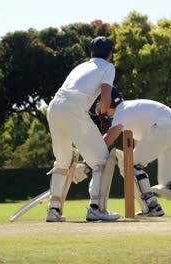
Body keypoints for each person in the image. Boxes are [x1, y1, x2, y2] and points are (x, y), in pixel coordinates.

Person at [45, 36, 120, 222]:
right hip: (74, 108)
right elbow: (106, 97)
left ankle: (53, 211)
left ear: (91, 53)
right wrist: (103, 114)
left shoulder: (80, 67)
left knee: (62, 161)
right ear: (110, 54)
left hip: (54, 106)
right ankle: (96, 208)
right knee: (101, 160)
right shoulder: (108, 67)